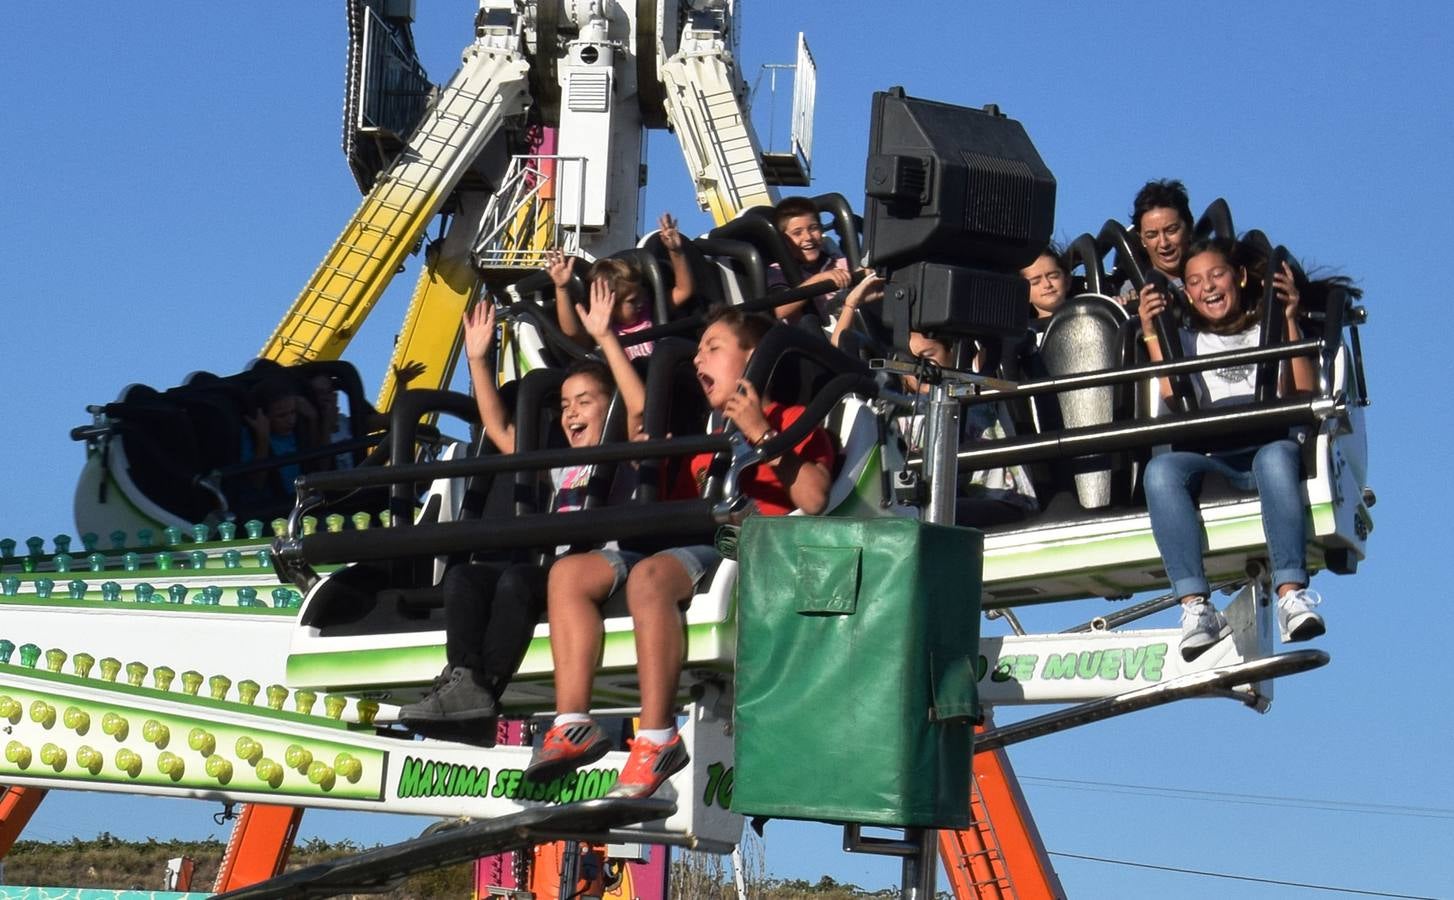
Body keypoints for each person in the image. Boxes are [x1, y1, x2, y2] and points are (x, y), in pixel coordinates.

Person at [527, 306, 835, 799]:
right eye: (697, 352)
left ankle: (656, 736)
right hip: (687, 546)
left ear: (755, 359)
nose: (698, 360)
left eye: (713, 348)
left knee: (651, 579)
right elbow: (667, 516)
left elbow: (815, 497)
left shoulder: (791, 419)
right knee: (568, 574)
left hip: (750, 551)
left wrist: (760, 431)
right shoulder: (703, 437)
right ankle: (573, 722)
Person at [397, 283, 645, 737]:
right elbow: (500, 429)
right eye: (565, 404)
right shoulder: (558, 461)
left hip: (609, 567)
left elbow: (638, 412)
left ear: (610, 411)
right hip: (559, 572)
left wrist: (607, 338)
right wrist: (477, 361)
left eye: (585, 403)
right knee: (465, 577)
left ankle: (482, 692)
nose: (571, 413)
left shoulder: (625, 446)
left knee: (515, 580)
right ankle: (465, 681)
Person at [1137, 237, 1324, 662]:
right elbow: (1170, 391)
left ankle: (1291, 595)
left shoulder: (1268, 330)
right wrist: (1151, 331)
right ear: (1186, 292)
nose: (1209, 287)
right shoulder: (1185, 340)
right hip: (1212, 457)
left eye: (1217, 274)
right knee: (1161, 472)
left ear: (1238, 277)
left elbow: (1302, 388)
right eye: (1196, 281)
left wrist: (1290, 317)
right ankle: (1195, 607)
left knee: (1276, 459)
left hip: (1265, 445)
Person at [549, 212, 695, 360]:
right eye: (632, 301)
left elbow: (684, 290)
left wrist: (675, 252)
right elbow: (572, 333)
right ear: (610, 306)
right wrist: (561, 289)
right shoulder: (602, 329)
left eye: (641, 294)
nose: (641, 302)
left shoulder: (648, 313)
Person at [767, 196, 853, 324]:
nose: (808, 237)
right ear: (784, 241)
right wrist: (818, 280)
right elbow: (780, 310)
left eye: (813, 228)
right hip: (815, 337)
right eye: (797, 233)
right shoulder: (778, 271)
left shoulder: (839, 263)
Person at [1120, 180, 1194, 310]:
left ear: (1189, 228)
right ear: (1142, 239)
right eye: (1152, 235)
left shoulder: (1209, 280)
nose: (1164, 243)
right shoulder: (1133, 290)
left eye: (1171, 230)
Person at [1020, 243, 1069, 320]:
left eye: (1053, 276)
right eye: (1035, 282)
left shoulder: (1088, 316)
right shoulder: (1026, 331)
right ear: (1025, 293)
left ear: (1067, 280)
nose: (1047, 284)